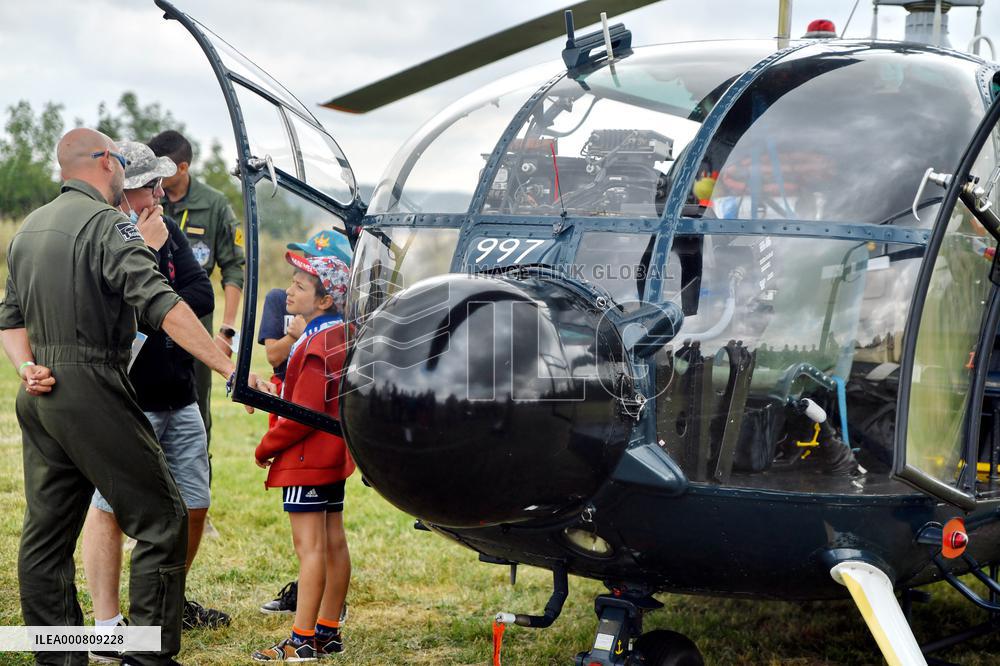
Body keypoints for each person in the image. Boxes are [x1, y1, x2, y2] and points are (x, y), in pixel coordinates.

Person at [0, 128, 270, 666]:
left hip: (42, 392)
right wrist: (228, 367)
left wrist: (27, 367)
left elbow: (10, 317)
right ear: (104, 162)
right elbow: (161, 303)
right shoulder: (106, 224)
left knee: (46, 536)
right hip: (94, 385)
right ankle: (148, 654)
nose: (125, 169)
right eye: (120, 159)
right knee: (162, 517)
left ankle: (60, 656)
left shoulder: (29, 228)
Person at [80, 141, 229, 663]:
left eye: (162, 184)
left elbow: (202, 297)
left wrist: (159, 281)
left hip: (179, 393)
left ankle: (168, 602)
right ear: (129, 187)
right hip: (129, 397)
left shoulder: (164, 229)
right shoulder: (107, 230)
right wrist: (146, 257)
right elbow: (121, 311)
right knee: (109, 509)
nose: (162, 193)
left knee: (193, 504)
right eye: (152, 185)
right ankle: (105, 627)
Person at [252, 253, 353, 661]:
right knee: (333, 544)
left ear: (324, 300)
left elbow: (304, 415)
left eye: (300, 286)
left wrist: (266, 447)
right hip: (331, 456)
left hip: (306, 459)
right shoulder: (340, 333)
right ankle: (328, 632)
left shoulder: (313, 344)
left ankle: (301, 641)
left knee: (310, 549)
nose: (289, 291)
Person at [148, 129, 245, 479]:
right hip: (148, 319)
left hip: (195, 320)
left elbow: (234, 268)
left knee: (196, 404)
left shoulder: (214, 204)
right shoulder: (147, 200)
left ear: (184, 167)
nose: (156, 180)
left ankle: (194, 488)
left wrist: (228, 330)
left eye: (163, 169)